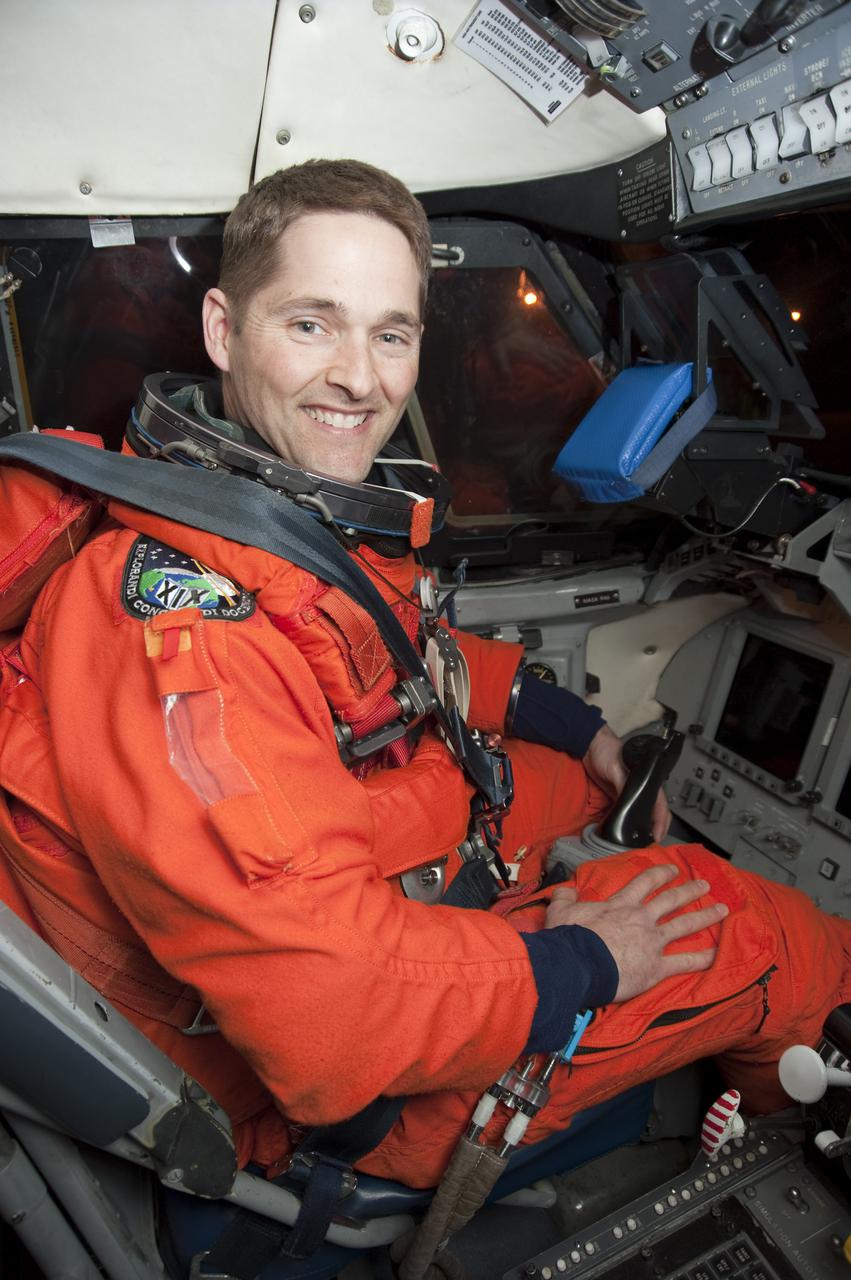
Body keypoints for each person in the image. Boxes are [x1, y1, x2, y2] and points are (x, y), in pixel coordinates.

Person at [0, 159, 849, 1196]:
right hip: (357, 1092)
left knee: (602, 791)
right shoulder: (181, 646)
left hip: (384, 868)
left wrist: (562, 722)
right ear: (223, 330)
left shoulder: (237, 507)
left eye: (389, 332)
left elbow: (386, 652)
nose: (360, 378)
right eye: (311, 324)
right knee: (750, 930)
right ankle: (784, 1154)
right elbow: (335, 1019)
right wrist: (584, 960)